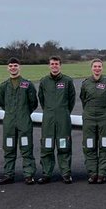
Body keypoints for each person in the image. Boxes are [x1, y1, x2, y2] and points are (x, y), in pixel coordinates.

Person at [0, 58, 38, 184]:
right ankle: (8, 174)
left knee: (26, 148)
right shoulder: (4, 86)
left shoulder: (27, 84)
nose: (13, 68)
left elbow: (33, 103)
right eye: (10, 66)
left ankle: (28, 174)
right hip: (9, 122)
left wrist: (23, 113)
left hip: (24, 122)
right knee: (9, 148)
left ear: (20, 67)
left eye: (15, 65)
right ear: (7, 68)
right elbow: (2, 103)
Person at [37, 56, 75, 184]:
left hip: (63, 117)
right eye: (52, 64)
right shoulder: (43, 81)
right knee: (47, 145)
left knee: (64, 145)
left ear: (60, 66)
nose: (54, 66)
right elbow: (41, 99)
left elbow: (71, 99)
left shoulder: (67, 81)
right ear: (49, 65)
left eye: (56, 64)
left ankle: (65, 173)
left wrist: (63, 112)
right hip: (48, 117)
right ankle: (46, 173)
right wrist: (49, 111)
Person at [79, 58, 106, 183]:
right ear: (91, 68)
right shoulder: (85, 84)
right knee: (89, 146)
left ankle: (102, 173)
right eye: (95, 66)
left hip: (104, 118)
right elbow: (83, 99)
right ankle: (92, 173)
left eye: (99, 66)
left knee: (105, 145)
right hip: (89, 118)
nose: (97, 68)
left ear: (102, 68)